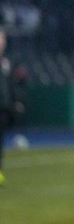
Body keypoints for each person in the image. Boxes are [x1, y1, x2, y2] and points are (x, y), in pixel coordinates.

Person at [0, 29, 27, 186]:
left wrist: (15, 102)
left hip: (3, 109)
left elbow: (10, 86)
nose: (2, 43)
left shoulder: (5, 64)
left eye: (2, 39)